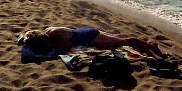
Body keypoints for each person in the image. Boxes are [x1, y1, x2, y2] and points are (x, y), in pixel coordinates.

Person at [20, 25, 163, 57]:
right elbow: (27, 35)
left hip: (90, 37)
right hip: (86, 30)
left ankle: (151, 46)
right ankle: (144, 42)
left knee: (124, 42)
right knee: (116, 37)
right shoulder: (48, 29)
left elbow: (68, 45)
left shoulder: (53, 36)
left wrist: (53, 45)